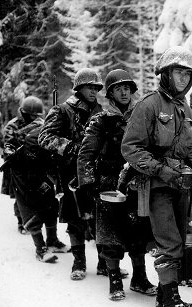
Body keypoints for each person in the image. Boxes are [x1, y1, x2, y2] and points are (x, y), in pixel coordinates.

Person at [121, 46, 192, 307]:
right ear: (165, 74)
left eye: (188, 74)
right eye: (178, 72)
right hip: (156, 185)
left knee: (181, 239)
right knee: (168, 243)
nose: (183, 79)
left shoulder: (185, 107)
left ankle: (163, 294)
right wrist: (160, 169)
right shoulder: (149, 105)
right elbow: (130, 148)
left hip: (181, 184)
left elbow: (190, 146)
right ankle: (171, 303)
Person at [77, 69, 157, 301]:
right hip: (108, 184)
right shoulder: (100, 120)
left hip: (136, 182)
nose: (124, 93)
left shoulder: (141, 117)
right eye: (118, 89)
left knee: (139, 230)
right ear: (110, 94)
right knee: (110, 232)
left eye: (127, 88)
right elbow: (86, 154)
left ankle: (140, 278)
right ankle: (114, 280)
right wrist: (89, 183)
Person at [39, 68, 108, 280]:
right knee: (75, 220)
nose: (94, 92)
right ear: (79, 88)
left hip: (97, 173)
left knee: (101, 218)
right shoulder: (63, 111)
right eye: (90, 87)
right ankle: (78, 262)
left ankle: (104, 263)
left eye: (96, 88)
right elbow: (45, 137)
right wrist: (71, 148)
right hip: (71, 174)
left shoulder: (101, 112)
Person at [3, 96, 69, 262]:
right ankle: (40, 248)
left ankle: (52, 240)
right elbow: (8, 151)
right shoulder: (13, 126)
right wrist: (24, 147)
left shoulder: (42, 125)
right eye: (32, 116)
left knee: (50, 204)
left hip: (40, 169)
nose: (35, 119)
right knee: (29, 207)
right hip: (21, 173)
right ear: (24, 114)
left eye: (37, 116)